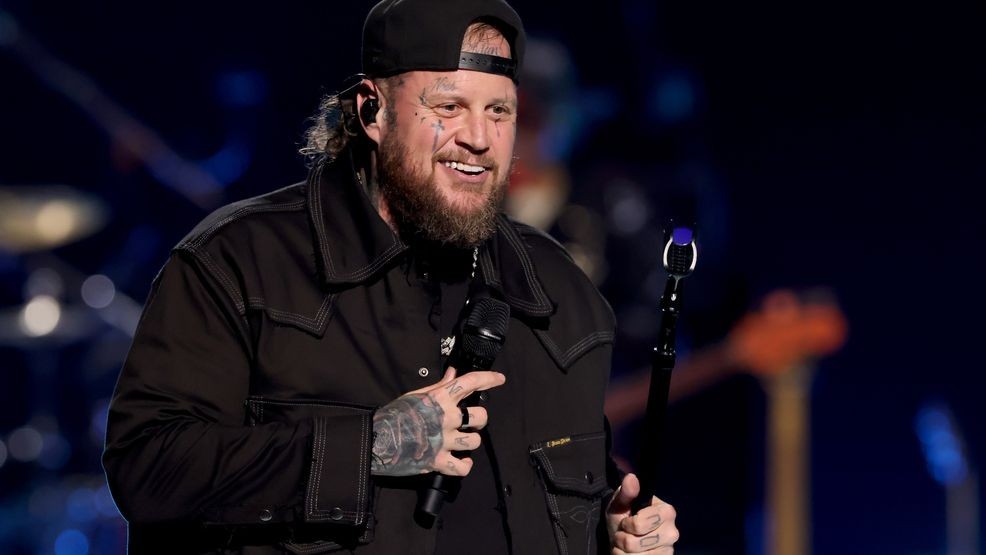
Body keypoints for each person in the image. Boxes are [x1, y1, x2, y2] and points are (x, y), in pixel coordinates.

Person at [102, 0, 679, 553]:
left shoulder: (560, 293)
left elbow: (566, 502)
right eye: (448, 107)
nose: (479, 138)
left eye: (499, 111)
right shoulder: (240, 264)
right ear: (370, 112)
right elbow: (147, 470)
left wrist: (615, 537)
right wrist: (368, 446)